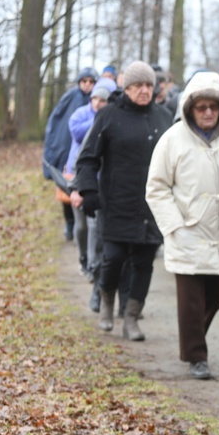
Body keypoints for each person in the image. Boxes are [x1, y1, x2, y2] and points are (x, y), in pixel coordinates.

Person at [146, 71, 219, 380]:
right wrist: (173, 226)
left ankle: (193, 341)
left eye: (213, 107)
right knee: (191, 301)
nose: (207, 113)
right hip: (187, 231)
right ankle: (196, 356)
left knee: (218, 293)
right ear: (189, 108)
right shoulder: (172, 139)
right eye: (201, 107)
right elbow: (157, 187)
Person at [75, 61, 173, 341]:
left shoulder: (164, 117)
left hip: (152, 204)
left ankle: (131, 317)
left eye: (148, 85)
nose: (144, 90)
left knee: (144, 263)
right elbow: (87, 158)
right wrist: (88, 191)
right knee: (113, 258)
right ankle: (107, 302)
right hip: (116, 201)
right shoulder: (108, 116)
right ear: (126, 88)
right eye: (138, 86)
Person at [67, 77, 118, 281]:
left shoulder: (113, 118)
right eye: (95, 98)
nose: (98, 103)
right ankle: (83, 258)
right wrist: (99, 120)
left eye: (103, 100)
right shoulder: (80, 114)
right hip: (77, 175)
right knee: (81, 225)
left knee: (94, 225)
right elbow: (77, 133)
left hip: (100, 179)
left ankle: (92, 265)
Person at [43, 67, 99, 240]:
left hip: (90, 153)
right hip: (69, 152)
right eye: (84, 81)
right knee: (68, 189)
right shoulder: (70, 98)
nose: (88, 85)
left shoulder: (99, 101)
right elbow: (59, 124)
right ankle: (70, 223)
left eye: (91, 82)